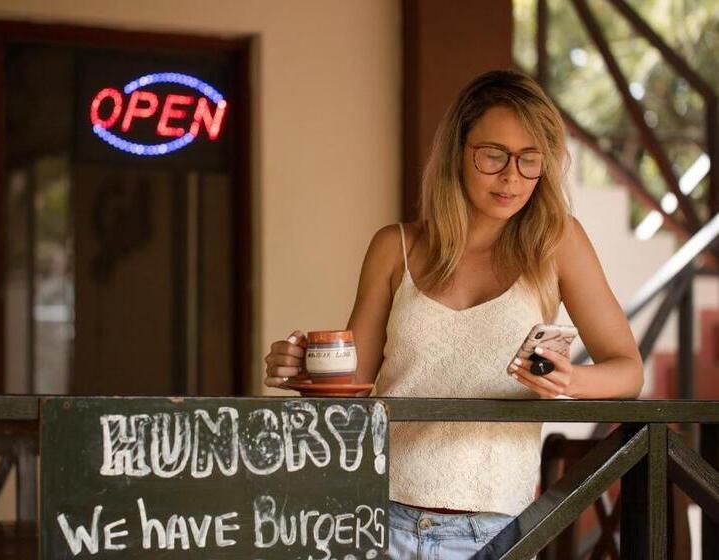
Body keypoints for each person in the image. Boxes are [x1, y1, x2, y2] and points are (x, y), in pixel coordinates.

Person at [264, 69, 643, 559]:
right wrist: (301, 370)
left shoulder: (557, 243)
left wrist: (569, 380)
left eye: (529, 159)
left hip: (495, 532)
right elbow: (351, 386)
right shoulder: (394, 247)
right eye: (493, 155)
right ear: (457, 152)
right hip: (379, 519)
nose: (512, 176)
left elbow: (628, 370)